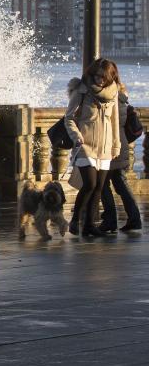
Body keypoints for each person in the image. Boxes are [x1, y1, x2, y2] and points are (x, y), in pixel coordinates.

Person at [65, 58, 121, 238]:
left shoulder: (113, 93)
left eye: (104, 77)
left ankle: (89, 225)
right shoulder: (81, 91)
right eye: (97, 76)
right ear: (92, 74)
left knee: (99, 187)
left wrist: (116, 145)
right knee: (89, 184)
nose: (100, 80)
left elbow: (114, 121)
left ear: (111, 77)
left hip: (105, 147)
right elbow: (69, 118)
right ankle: (75, 220)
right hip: (85, 145)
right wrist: (76, 136)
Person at [99, 78, 143, 233]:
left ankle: (110, 220)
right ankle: (134, 218)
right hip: (122, 145)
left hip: (112, 147)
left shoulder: (111, 101)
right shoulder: (123, 100)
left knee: (103, 184)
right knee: (121, 183)